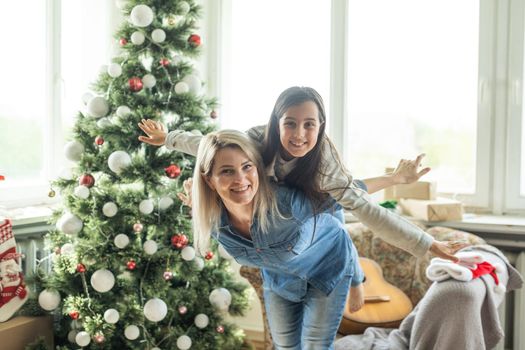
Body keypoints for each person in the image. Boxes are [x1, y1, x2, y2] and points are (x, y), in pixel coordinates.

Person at [138, 86, 463, 264]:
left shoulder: (324, 163)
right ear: (276, 123)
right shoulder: (255, 141)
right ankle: (391, 180)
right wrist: (168, 138)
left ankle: (356, 275)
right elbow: (210, 145)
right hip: (285, 207)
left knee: (338, 200)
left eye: (310, 124)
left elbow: (363, 207)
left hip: (314, 203)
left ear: (320, 126)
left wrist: (427, 243)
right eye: (290, 123)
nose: (299, 135)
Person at [192, 129, 366, 349]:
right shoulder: (214, 223)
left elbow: (346, 196)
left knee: (314, 346)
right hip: (280, 279)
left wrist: (395, 179)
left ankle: (357, 277)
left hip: (328, 268)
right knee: (284, 346)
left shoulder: (285, 203)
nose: (240, 179)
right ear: (209, 180)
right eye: (227, 171)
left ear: (257, 168)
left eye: (247, 166)